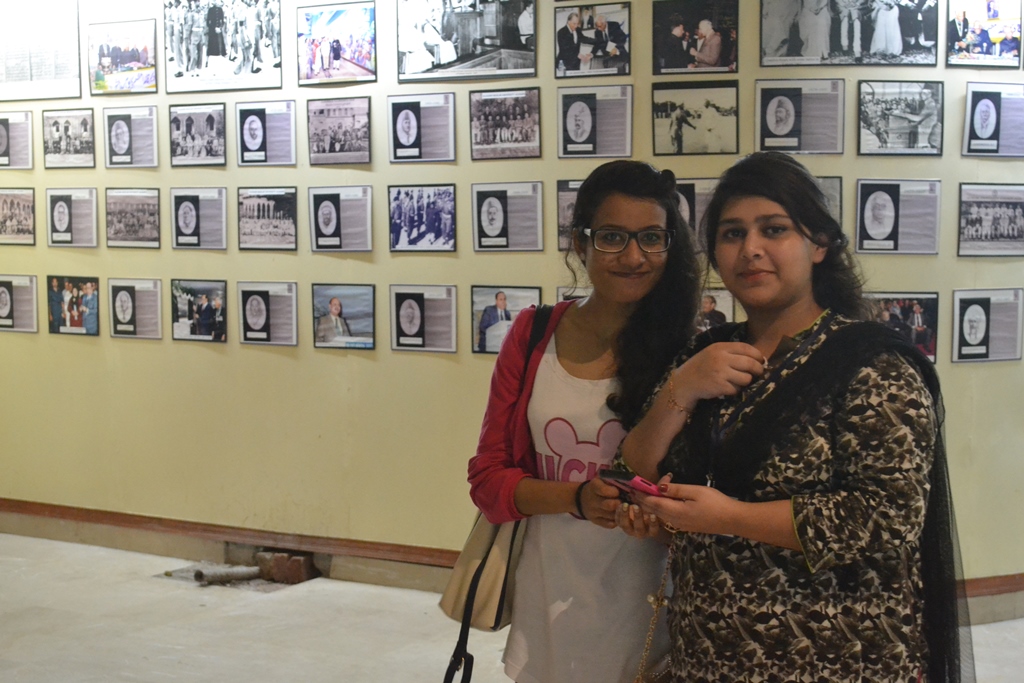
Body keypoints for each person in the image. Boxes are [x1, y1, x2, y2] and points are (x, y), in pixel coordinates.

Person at [616, 152, 972, 682]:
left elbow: (887, 517)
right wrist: (681, 388)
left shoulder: (872, 364)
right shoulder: (706, 356)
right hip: (709, 654)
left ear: (819, 244)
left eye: (774, 229)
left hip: (836, 657)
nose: (750, 249)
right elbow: (633, 467)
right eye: (732, 234)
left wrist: (726, 517)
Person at [467, 161, 702, 683]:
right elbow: (488, 480)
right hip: (547, 603)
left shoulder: (690, 353)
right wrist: (576, 499)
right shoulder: (532, 335)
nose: (634, 257)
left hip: (649, 613)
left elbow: (704, 497)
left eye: (652, 238)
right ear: (581, 242)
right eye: (613, 237)